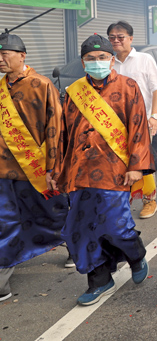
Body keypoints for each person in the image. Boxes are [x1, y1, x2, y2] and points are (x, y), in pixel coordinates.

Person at [53, 34, 153, 306]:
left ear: (111, 59)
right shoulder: (74, 92)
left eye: (102, 58)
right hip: (78, 172)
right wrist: (57, 169)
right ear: (83, 62)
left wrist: (137, 166)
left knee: (116, 224)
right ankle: (99, 280)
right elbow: (64, 135)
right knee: (82, 229)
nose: (96, 62)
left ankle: (135, 254)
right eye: (90, 58)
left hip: (114, 171)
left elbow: (139, 127)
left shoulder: (128, 86)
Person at [0, 33, 67, 302]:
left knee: (49, 213)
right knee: (5, 221)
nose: (1, 59)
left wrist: (53, 167)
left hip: (35, 168)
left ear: (22, 56)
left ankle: (71, 244)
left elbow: (55, 128)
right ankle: (3, 272)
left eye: (5, 54)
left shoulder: (41, 84)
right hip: (4, 170)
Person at [108, 21, 157, 219]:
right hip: (113, 124)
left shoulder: (144, 59)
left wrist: (154, 116)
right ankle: (123, 201)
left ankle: (150, 201)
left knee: (142, 161)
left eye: (120, 37)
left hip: (141, 122)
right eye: (112, 38)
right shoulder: (108, 62)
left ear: (131, 39)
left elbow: (156, 89)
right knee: (117, 162)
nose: (116, 41)